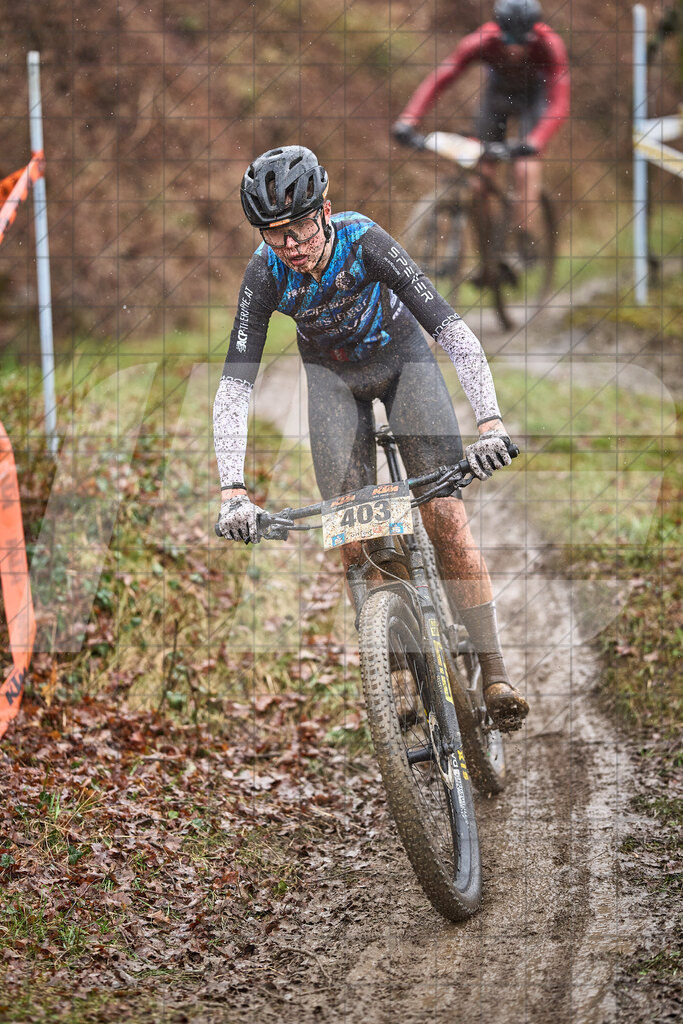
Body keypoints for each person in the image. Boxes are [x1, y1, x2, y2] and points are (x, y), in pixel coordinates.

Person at [213, 145, 529, 732]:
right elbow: (235, 387)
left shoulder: (366, 241)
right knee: (355, 538)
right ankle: (402, 675)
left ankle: (493, 669)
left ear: (326, 210)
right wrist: (232, 490)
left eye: (301, 225)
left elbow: (451, 329)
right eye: (273, 234)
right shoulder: (263, 274)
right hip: (334, 384)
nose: (292, 245)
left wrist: (490, 422)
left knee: (444, 516)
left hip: (404, 363)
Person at [393, 0, 569, 253]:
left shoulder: (549, 45)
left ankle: (524, 241)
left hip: (534, 100)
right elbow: (442, 78)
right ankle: (488, 252)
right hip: (497, 98)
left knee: (525, 168)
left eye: (523, 41)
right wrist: (409, 119)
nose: (516, 49)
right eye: (509, 40)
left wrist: (535, 141)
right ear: (499, 31)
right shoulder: (482, 41)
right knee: (480, 177)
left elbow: (559, 103)